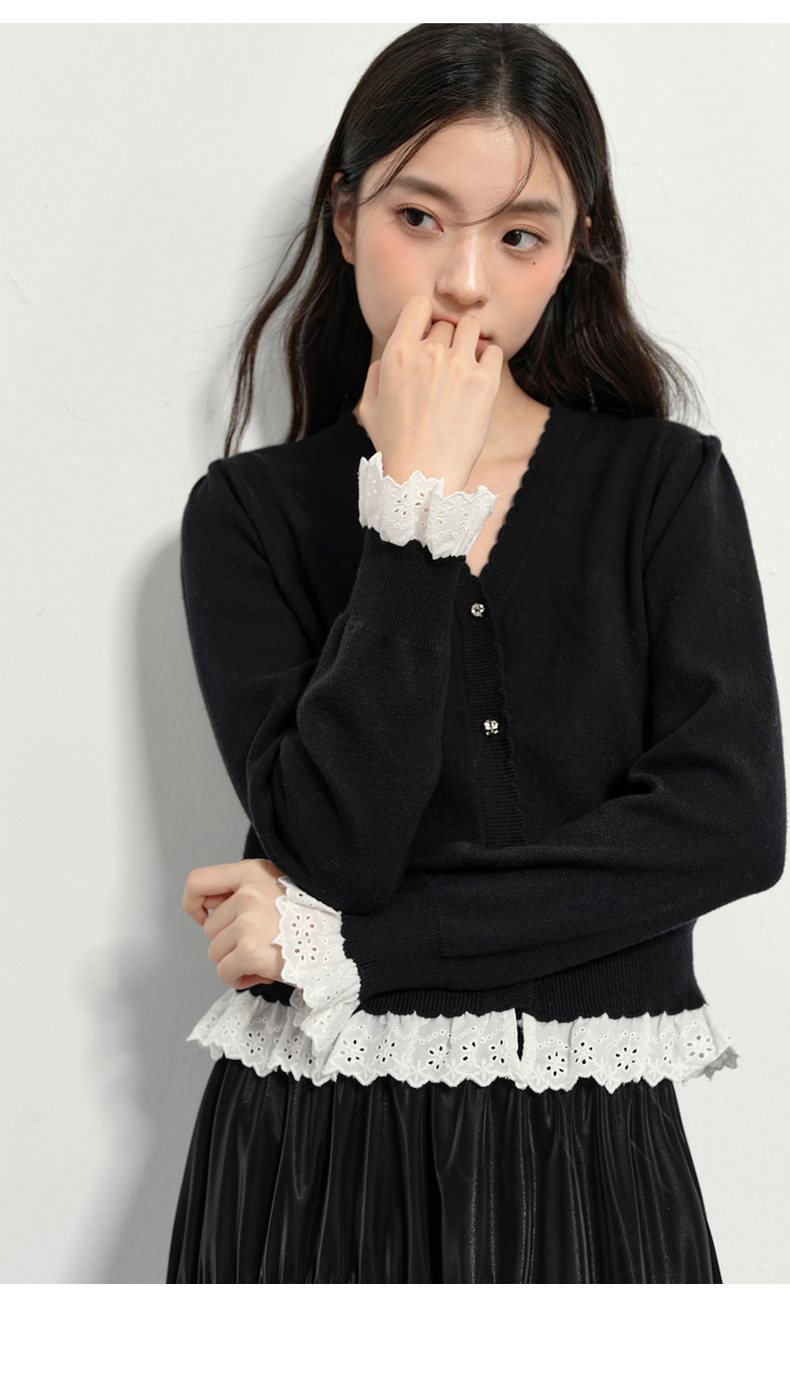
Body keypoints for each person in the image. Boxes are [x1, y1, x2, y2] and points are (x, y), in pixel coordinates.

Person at [166, 23, 785, 1284]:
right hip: (313, 1150)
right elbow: (336, 846)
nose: (461, 281)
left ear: (573, 251)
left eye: (518, 236)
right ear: (346, 219)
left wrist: (346, 948)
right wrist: (415, 509)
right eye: (419, 218)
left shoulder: (663, 488)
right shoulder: (247, 516)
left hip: (589, 1146)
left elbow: (729, 829)